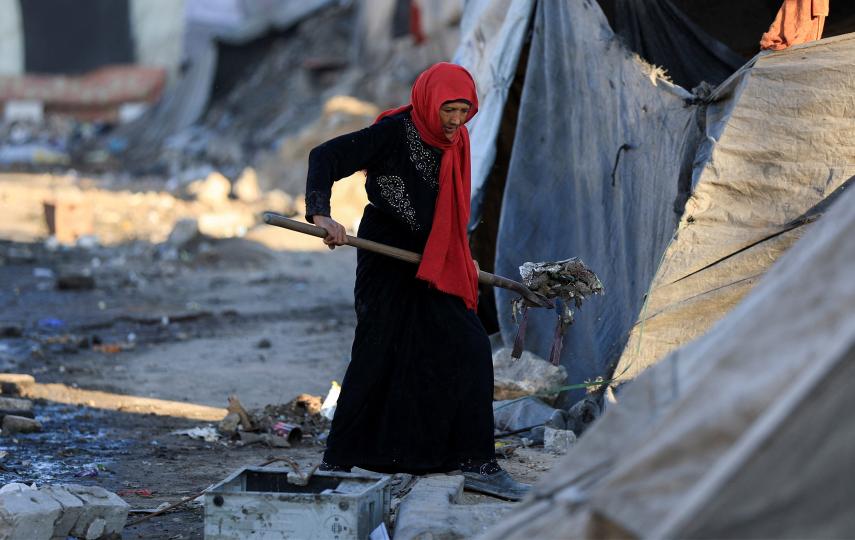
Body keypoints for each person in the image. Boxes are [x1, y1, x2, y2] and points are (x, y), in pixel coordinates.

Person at [304, 62, 529, 500]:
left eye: (464, 111)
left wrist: (458, 254)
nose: (456, 120)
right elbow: (324, 157)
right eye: (449, 110)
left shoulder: (458, 141)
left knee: (469, 347)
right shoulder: (393, 132)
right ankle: (336, 462)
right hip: (386, 257)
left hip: (437, 259)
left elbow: (450, 210)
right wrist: (321, 215)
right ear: (429, 102)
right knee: (375, 352)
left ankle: (477, 462)